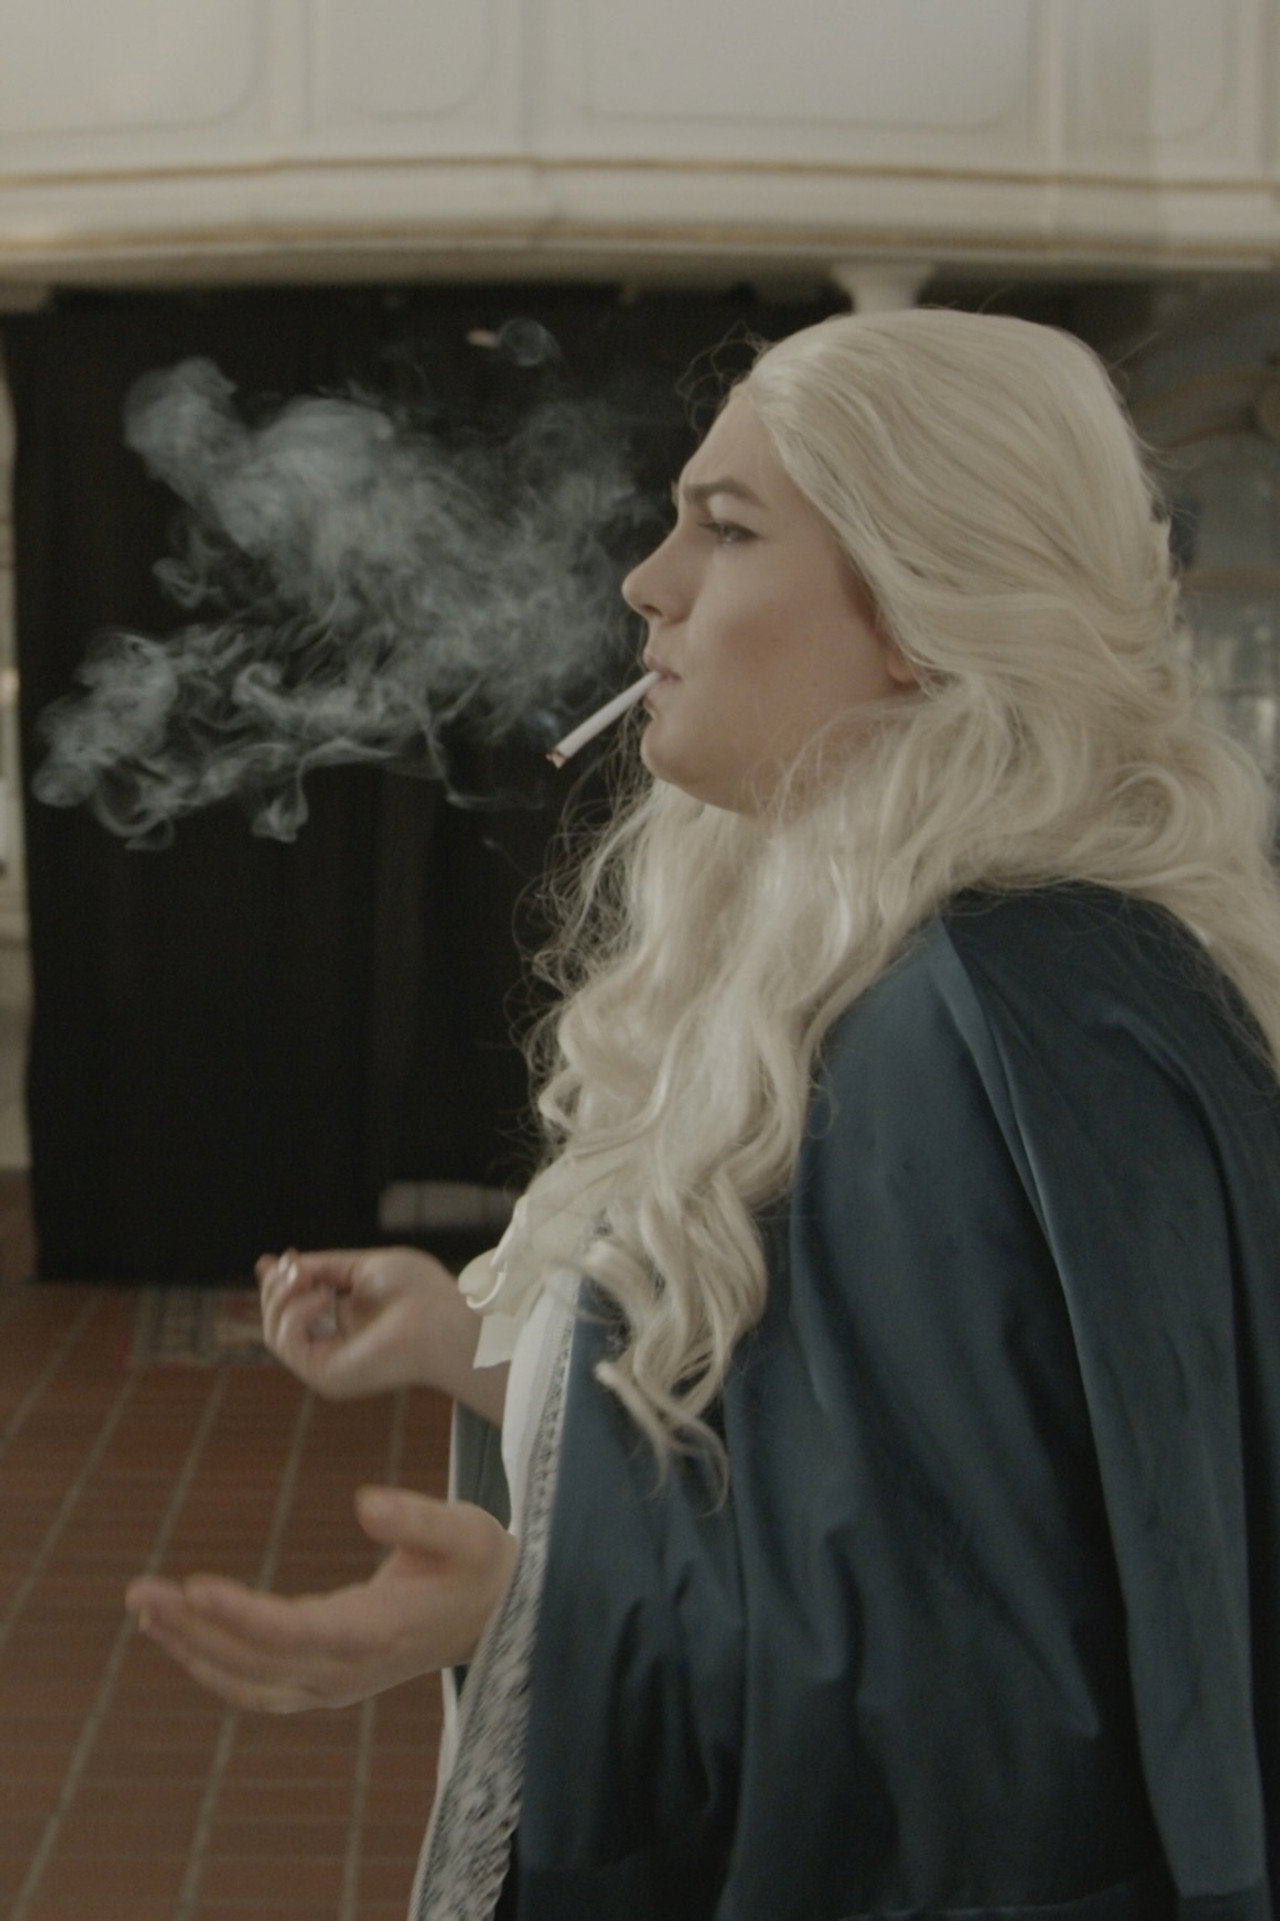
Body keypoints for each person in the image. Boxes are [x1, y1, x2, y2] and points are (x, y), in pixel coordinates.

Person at [125, 308, 1280, 1920]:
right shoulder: (890, 964)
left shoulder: (982, 1010)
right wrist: (481, 1353)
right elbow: (827, 1471)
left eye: (726, 529)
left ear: (924, 609)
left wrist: (533, 1613)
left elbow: (993, 1700)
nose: (645, 582)